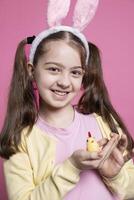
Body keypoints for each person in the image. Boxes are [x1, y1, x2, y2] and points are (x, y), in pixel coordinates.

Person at [0, 25, 134, 200]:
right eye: (54, 69)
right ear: (31, 71)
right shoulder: (19, 139)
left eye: (75, 72)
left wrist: (114, 175)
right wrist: (71, 167)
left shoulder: (105, 125)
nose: (64, 82)